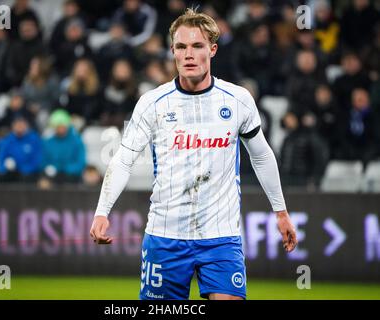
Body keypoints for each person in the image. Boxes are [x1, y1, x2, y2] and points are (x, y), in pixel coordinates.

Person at [89, 8, 297, 300]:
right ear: (172, 51)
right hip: (165, 236)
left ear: (212, 49)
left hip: (221, 237)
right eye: (181, 46)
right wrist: (102, 211)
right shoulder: (153, 103)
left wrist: (281, 211)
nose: (188, 54)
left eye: (197, 46)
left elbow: (261, 156)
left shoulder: (238, 100)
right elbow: (124, 158)